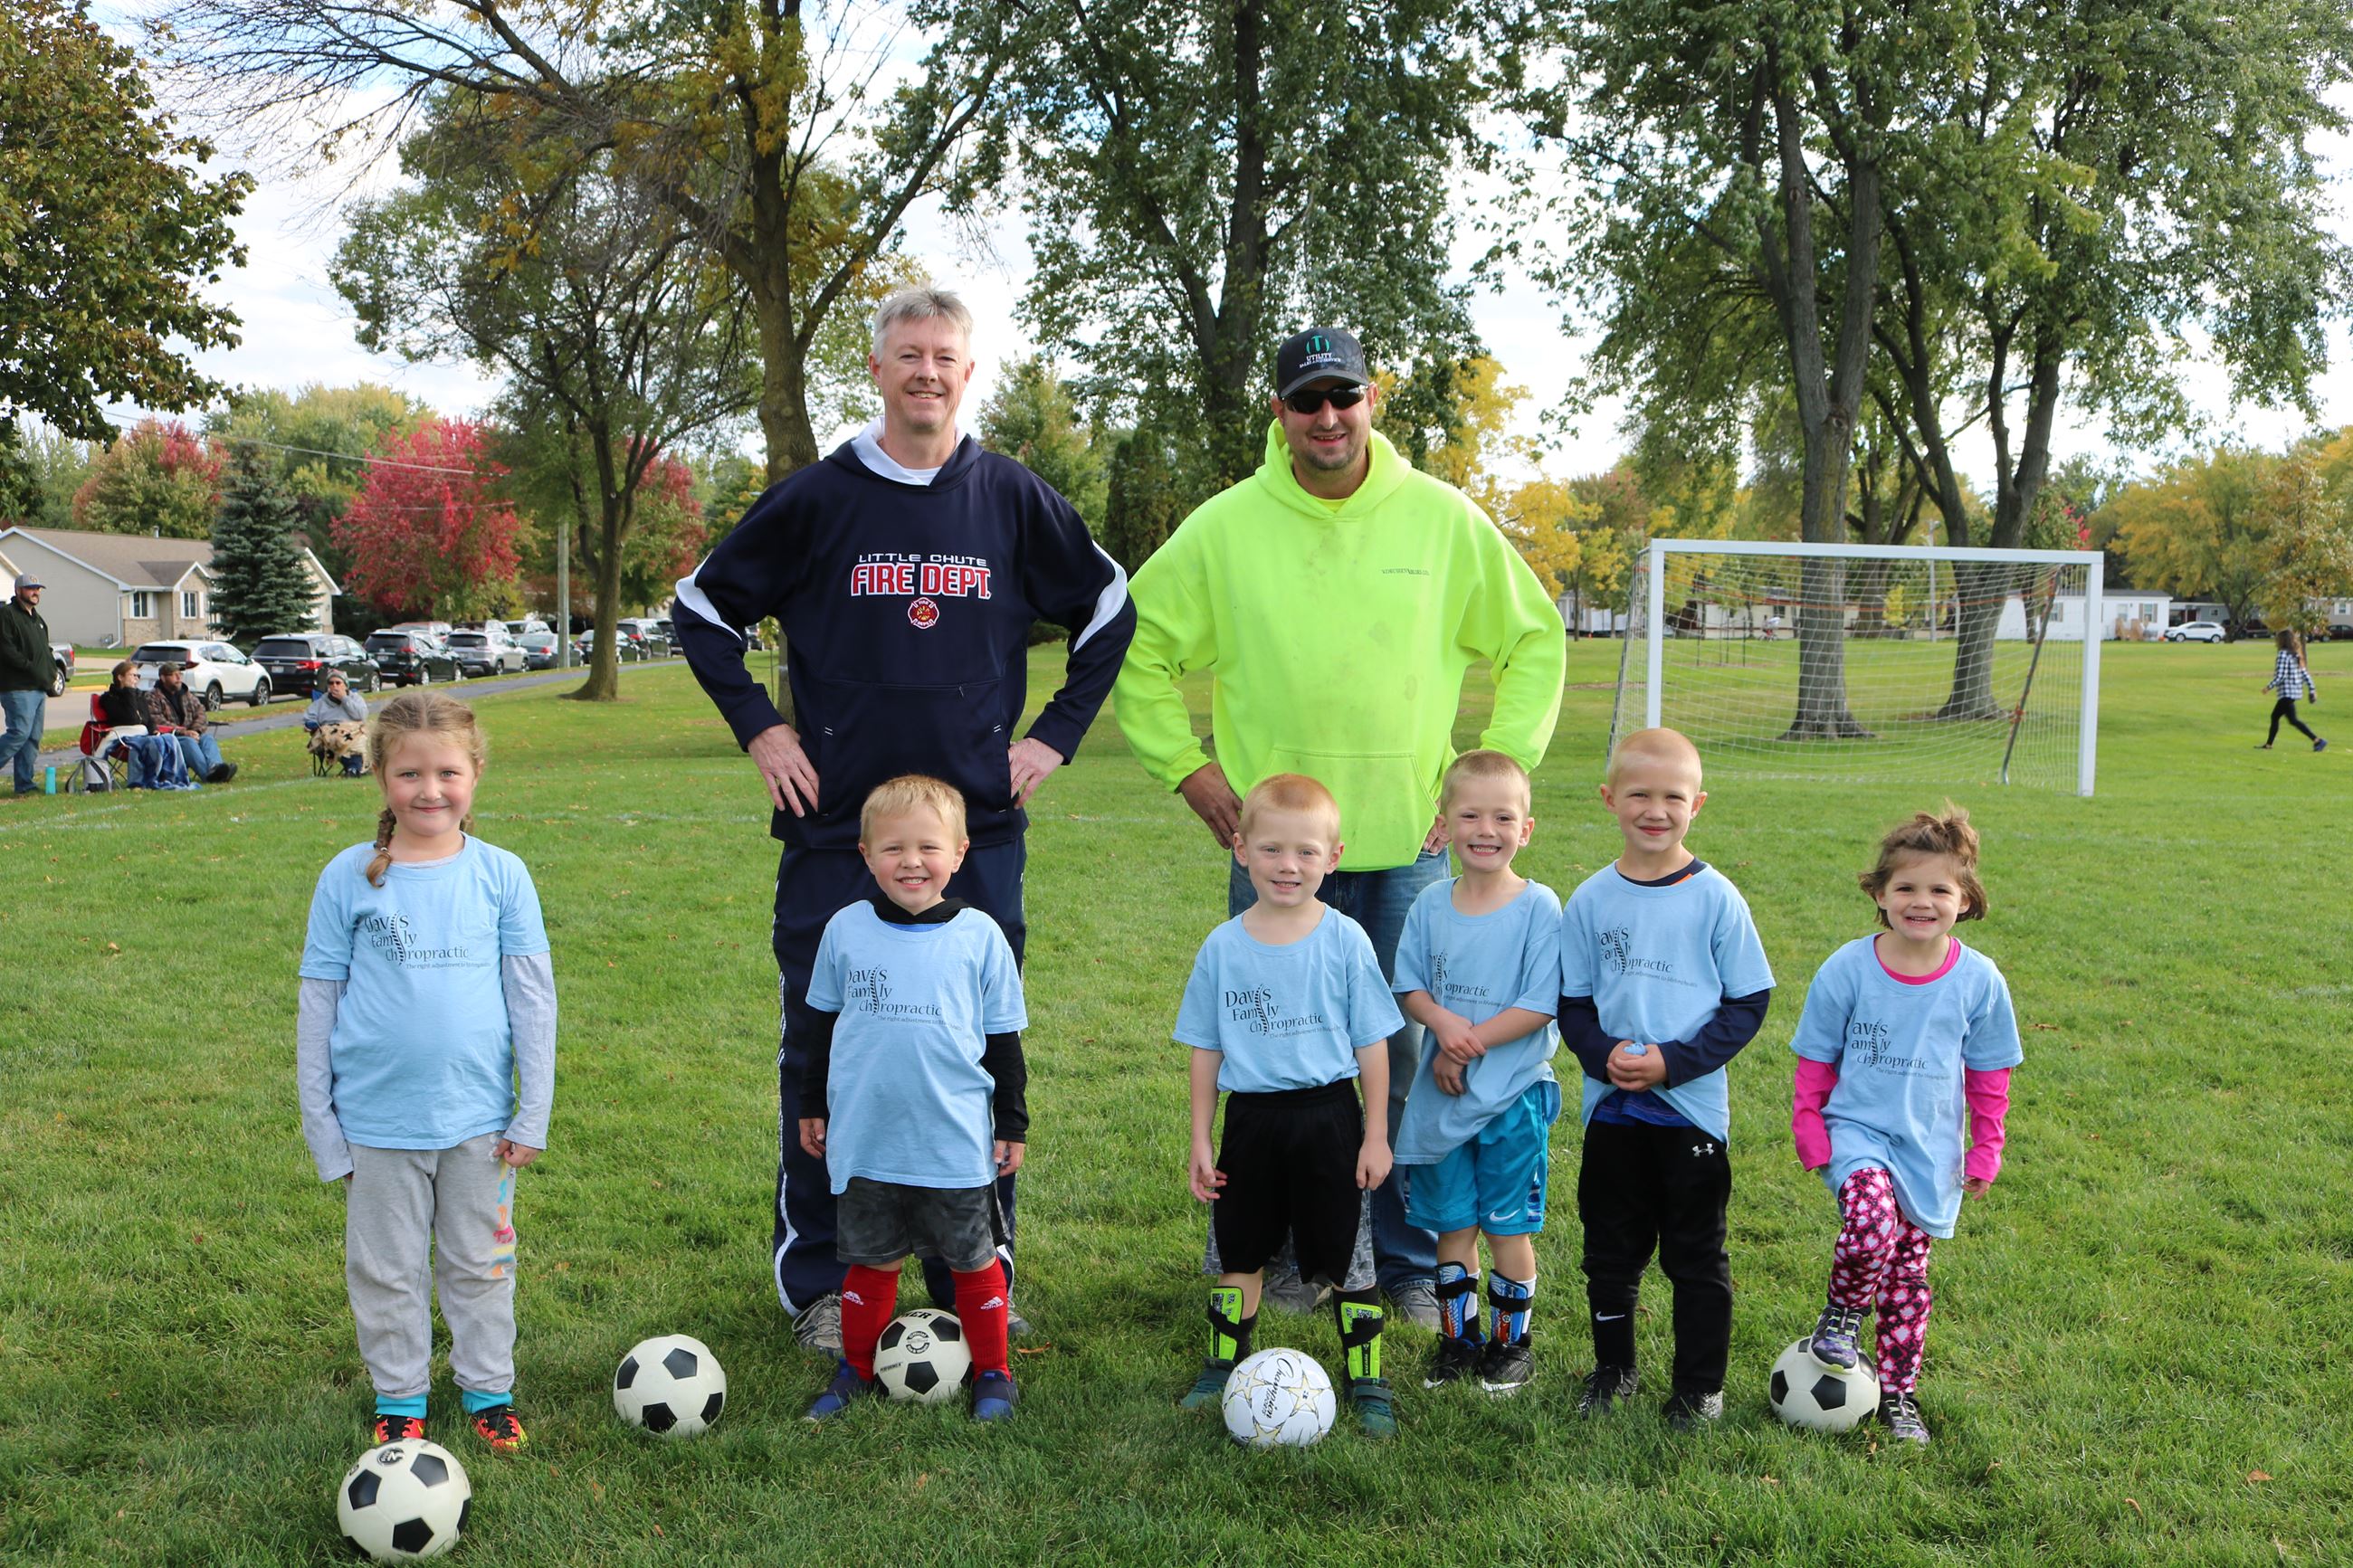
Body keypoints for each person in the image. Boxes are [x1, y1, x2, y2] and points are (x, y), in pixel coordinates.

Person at [672, 285, 1134, 1350]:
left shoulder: (1011, 498)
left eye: (945, 357)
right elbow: (702, 607)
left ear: (968, 376)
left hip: (976, 839)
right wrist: (760, 727)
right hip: (837, 837)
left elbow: (1108, 607)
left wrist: (1053, 735)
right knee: (831, 1055)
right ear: (875, 371)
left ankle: (976, 1271)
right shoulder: (818, 498)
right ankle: (829, 1286)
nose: (926, 372)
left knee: (967, 1050)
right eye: (907, 355)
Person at [1116, 326, 1567, 1326]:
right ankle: (1269, 1248)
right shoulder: (1226, 527)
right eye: (1305, 400)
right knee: (1265, 1051)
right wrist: (1187, 769)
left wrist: (1488, 774)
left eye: (1344, 397)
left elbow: (1533, 636)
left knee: (1404, 1058)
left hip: (1408, 849)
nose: (1327, 417)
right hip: (1279, 854)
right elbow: (1132, 645)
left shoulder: (1441, 521)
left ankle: (1405, 1258)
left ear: (1372, 401)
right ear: (1277, 412)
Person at [296, 691, 557, 1452]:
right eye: (410, 773)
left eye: (447, 771)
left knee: (480, 1264)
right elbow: (318, 1008)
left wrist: (530, 1111)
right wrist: (326, 1129)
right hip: (376, 1123)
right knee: (386, 1271)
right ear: (380, 776)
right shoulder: (349, 877)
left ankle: (487, 1389)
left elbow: (533, 1002)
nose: (430, 790)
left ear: (475, 774)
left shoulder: (502, 875)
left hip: (478, 1122)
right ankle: (400, 1395)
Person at [1557, 727, 1774, 1429]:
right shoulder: (1590, 899)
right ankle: (1614, 1368)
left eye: (1672, 797)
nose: (1656, 810)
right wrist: (1601, 1054)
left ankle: (1698, 1386)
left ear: (1698, 803)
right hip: (1613, 1114)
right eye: (1639, 794)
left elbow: (1749, 1002)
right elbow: (1574, 1003)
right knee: (1609, 1251)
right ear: (1609, 798)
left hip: (1691, 1115)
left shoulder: (1715, 898)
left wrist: (1673, 1061)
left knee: (1695, 1254)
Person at [1175, 774, 1404, 1438]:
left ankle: (1368, 1379)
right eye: (1272, 849)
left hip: (1331, 1118)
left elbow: (1374, 1046)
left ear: (1333, 857)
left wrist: (1376, 1134)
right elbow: (1206, 1049)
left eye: (1306, 852)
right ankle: (1222, 1366)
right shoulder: (1223, 946)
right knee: (1237, 1250)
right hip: (1251, 1120)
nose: (1288, 865)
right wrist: (1201, 1135)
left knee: (1349, 1256)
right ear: (1241, 848)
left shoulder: (1345, 941)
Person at [797, 776, 1028, 1424]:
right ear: (866, 855)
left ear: (959, 852)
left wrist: (1011, 1119)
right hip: (868, 1136)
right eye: (893, 847)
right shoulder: (846, 930)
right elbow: (821, 1029)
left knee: (973, 1260)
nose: (911, 861)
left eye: (928, 846)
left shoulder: (981, 936)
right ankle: (855, 1369)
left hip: (952, 1138)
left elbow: (1004, 1042)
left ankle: (994, 1373)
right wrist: (812, 1105)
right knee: (871, 1262)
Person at [1788, 806, 2021, 1446]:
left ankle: (1899, 1396)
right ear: (1880, 894)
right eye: (1907, 888)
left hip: (1931, 1148)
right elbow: (1816, 1054)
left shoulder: (1979, 981)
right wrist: (1809, 1123)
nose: (1922, 901)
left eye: (1940, 889)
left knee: (1907, 1281)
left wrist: (1985, 1148)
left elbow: (1990, 1073)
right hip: (1858, 1131)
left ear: (1966, 898)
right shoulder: (1847, 968)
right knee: (1868, 1228)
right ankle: (1839, 1317)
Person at [1388, 751, 1562, 1396]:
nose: (1485, 828)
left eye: (1502, 815)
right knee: (1453, 1223)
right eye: (1469, 814)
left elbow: (1541, 1002)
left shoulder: (1541, 908)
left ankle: (1510, 1344)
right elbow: (1409, 985)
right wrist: (1440, 1023)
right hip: (1443, 1100)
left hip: (1511, 1097)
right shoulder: (1432, 903)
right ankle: (1457, 1340)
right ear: (1444, 823)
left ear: (1527, 827)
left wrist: (1463, 1041)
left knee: (1506, 1225)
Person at [142, 661, 237, 784]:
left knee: (207, 739)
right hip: (170, 739)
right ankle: (210, 776)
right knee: (188, 742)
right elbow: (157, 721)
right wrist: (184, 732)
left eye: (179, 674)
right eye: (173, 675)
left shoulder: (186, 694)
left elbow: (201, 712)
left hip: (191, 734)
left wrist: (195, 731)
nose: (178, 678)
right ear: (163, 678)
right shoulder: (153, 697)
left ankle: (215, 767)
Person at [0, 574, 50, 797]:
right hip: (16, 687)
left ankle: (25, 784)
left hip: (38, 687)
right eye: (31, 588)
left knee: (33, 737)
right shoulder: (6, 615)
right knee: (19, 733)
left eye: (38, 588)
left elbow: (45, 652)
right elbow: (7, 650)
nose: (35, 592)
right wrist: (30, 667)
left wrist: (49, 673)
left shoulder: (38, 620)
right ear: (19, 590)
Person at [2259, 630, 2325, 752]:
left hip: (2287, 693)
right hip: (2294, 692)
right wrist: (2312, 689)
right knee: (2285, 718)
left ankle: (2318, 740)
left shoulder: (2283, 654)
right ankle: (2269, 744)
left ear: (2282, 640)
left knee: (2286, 719)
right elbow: (2305, 674)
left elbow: (2281, 675)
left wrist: (2268, 687)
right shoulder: (2296, 654)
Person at [306, 670, 371, 776]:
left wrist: (344, 699)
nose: (334, 686)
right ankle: (354, 768)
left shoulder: (356, 699)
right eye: (331, 683)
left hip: (354, 731)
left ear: (345, 685)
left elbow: (361, 716)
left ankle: (354, 768)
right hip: (329, 735)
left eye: (338, 683)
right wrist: (311, 724)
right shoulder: (321, 702)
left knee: (359, 738)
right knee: (339, 739)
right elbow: (309, 718)